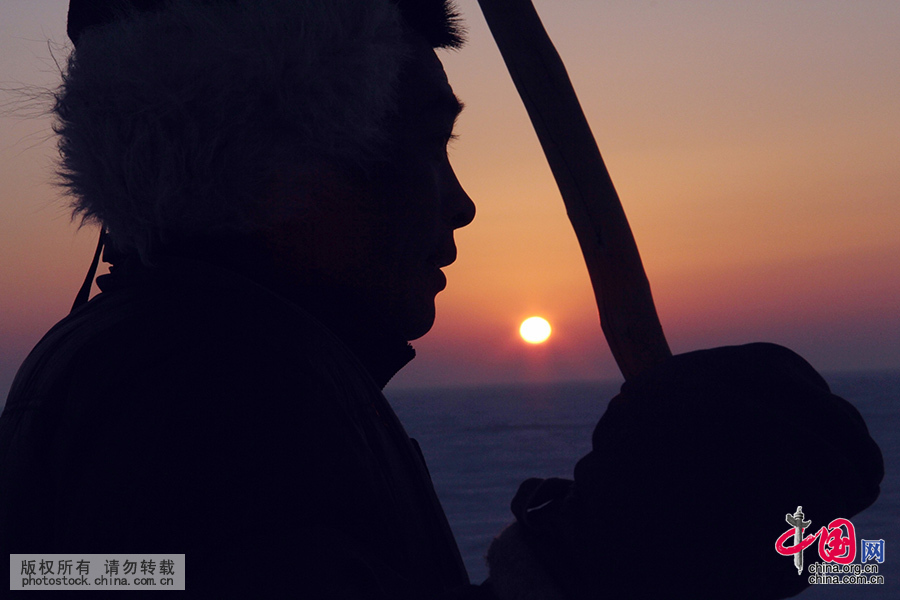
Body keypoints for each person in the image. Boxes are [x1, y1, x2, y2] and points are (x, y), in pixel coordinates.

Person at [0, 1, 883, 599]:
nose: (460, 204)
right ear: (284, 162)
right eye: (428, 145)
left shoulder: (183, 366)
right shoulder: (202, 391)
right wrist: (601, 565)